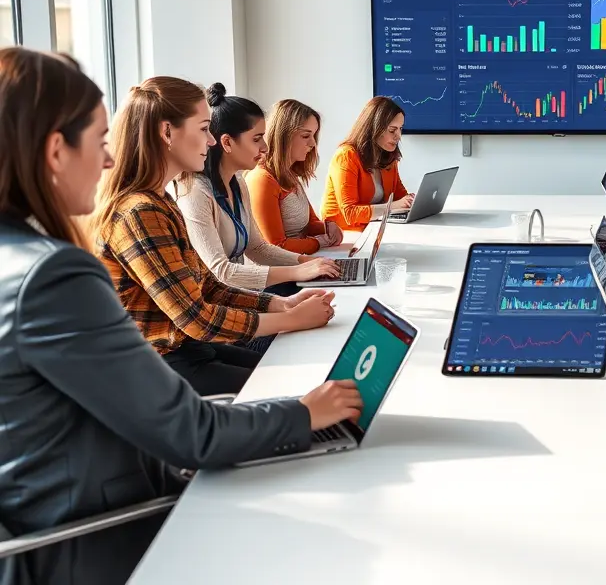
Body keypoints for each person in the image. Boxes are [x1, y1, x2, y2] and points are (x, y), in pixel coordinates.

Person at [0, 48, 363, 584]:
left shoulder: (19, 257)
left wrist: (280, 311)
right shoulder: (54, 276)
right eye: (98, 142)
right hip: (105, 535)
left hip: (80, 502)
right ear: (56, 150)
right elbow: (193, 433)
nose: (106, 160)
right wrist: (304, 413)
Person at [94, 78, 336, 395]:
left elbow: (208, 286)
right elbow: (198, 319)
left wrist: (282, 304)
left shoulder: (160, 202)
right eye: (204, 128)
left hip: (189, 350)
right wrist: (291, 319)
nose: (210, 141)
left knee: (311, 379)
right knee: (301, 391)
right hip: (162, 368)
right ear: (167, 133)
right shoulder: (140, 213)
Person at [176, 84, 341, 296]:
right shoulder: (195, 193)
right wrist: (298, 270)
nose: (264, 147)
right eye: (256, 139)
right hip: (220, 305)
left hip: (242, 295)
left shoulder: (238, 183)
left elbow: (258, 248)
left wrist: (309, 262)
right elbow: (222, 272)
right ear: (227, 143)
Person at [246, 98, 345, 254]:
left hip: (298, 263)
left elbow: (309, 223)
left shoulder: (290, 174)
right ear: (283, 136)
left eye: (314, 135)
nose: (313, 144)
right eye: (306, 136)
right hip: (281, 271)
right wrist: (319, 242)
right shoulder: (262, 180)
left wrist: (328, 226)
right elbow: (276, 246)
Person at [320, 96, 415, 232]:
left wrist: (411, 200)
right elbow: (350, 214)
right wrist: (393, 206)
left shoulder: (388, 156)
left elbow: (400, 197)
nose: (398, 136)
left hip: (373, 228)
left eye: (401, 129)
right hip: (343, 234)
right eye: (392, 130)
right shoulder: (346, 156)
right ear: (374, 128)